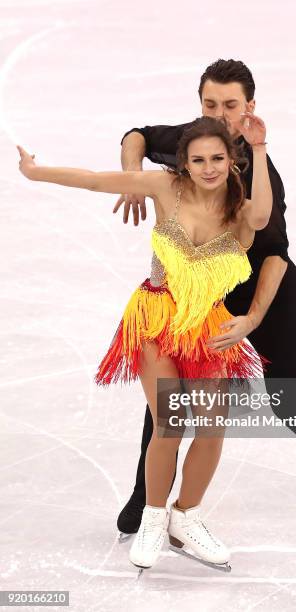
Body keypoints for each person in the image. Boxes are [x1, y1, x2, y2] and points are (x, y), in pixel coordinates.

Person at [114, 58, 296, 545]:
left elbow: (275, 259)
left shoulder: (266, 177)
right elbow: (136, 134)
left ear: (250, 108)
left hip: (265, 294)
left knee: (289, 398)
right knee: (170, 395)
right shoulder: (194, 142)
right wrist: (132, 177)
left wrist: (251, 319)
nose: (220, 116)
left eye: (230, 106)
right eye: (210, 104)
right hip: (204, 298)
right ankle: (149, 502)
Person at [17, 112, 272, 572]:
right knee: (169, 422)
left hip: (207, 326)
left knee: (212, 427)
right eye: (198, 159)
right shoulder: (164, 187)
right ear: (184, 163)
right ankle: (154, 517)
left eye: (217, 157)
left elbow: (262, 215)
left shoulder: (239, 208)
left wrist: (258, 148)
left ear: (231, 159)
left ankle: (186, 517)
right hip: (155, 317)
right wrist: (37, 172)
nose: (209, 167)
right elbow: (95, 181)